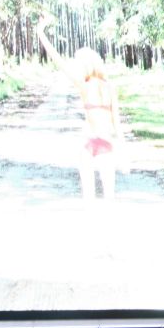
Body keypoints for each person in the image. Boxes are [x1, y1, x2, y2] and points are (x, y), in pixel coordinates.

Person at [38, 16, 122, 198]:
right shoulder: (109, 88)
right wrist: (123, 153)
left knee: (88, 196)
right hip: (106, 143)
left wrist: (41, 33)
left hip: (89, 142)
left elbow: (58, 60)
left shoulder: (83, 86)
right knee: (109, 196)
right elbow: (117, 124)